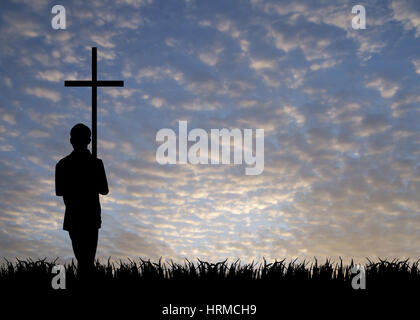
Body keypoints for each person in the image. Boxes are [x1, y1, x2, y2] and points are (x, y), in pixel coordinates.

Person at [55, 123, 109, 281]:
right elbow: (104, 189)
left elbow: (59, 191)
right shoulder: (96, 163)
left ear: (71, 140)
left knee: (83, 260)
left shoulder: (63, 164)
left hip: (76, 217)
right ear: (89, 140)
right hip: (88, 216)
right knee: (87, 260)